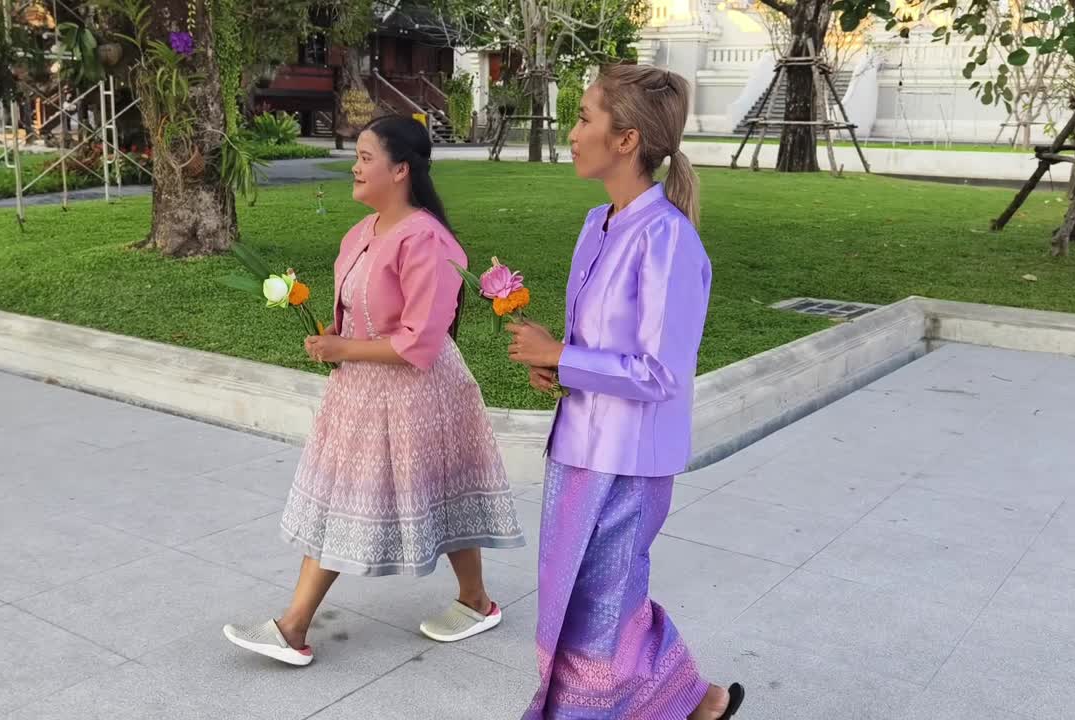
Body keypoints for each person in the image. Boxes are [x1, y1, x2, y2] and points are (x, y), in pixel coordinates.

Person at [223, 116, 525, 666]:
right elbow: (361, 315)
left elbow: (420, 342)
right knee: (377, 495)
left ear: (401, 169)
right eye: (356, 156)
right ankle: (473, 601)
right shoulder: (362, 233)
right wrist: (336, 338)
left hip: (419, 394)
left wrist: (343, 350)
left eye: (365, 157)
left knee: (435, 494)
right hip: (361, 393)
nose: (355, 167)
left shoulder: (427, 239)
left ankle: (295, 627)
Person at [504, 66, 745, 719]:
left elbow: (660, 373)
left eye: (585, 118)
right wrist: (560, 364)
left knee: (600, 616)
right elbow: (602, 347)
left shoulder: (669, 239)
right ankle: (696, 701)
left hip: (629, 461)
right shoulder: (598, 223)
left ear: (626, 139)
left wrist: (564, 355)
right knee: (576, 603)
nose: (572, 131)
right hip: (577, 446)